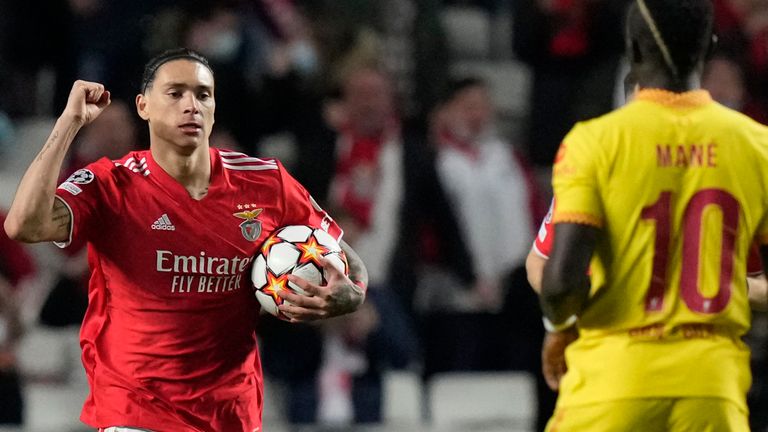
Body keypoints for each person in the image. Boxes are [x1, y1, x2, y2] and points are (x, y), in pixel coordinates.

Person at [3, 48, 368, 432]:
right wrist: (68, 124)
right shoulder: (113, 184)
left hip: (232, 413)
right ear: (143, 106)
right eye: (175, 93)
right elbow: (24, 225)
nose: (191, 105)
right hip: (136, 409)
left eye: (202, 94)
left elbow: (342, 254)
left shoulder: (266, 181)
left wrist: (353, 293)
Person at [537, 0, 768, 429]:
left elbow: (562, 282)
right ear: (707, 47)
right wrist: (730, 284)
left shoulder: (596, 142)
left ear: (635, 51)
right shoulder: (758, 144)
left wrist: (560, 326)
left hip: (614, 382)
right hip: (712, 391)